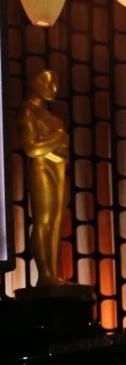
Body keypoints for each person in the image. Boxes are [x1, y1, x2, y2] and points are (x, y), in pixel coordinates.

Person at [19, 69, 71, 286]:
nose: (54, 89)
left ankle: (54, 275)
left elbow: (62, 148)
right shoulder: (28, 111)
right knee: (45, 222)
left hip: (58, 168)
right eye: (48, 83)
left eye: (56, 83)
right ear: (35, 83)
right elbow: (31, 148)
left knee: (57, 224)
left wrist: (57, 143)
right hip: (42, 168)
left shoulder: (49, 115)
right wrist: (58, 138)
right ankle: (45, 275)